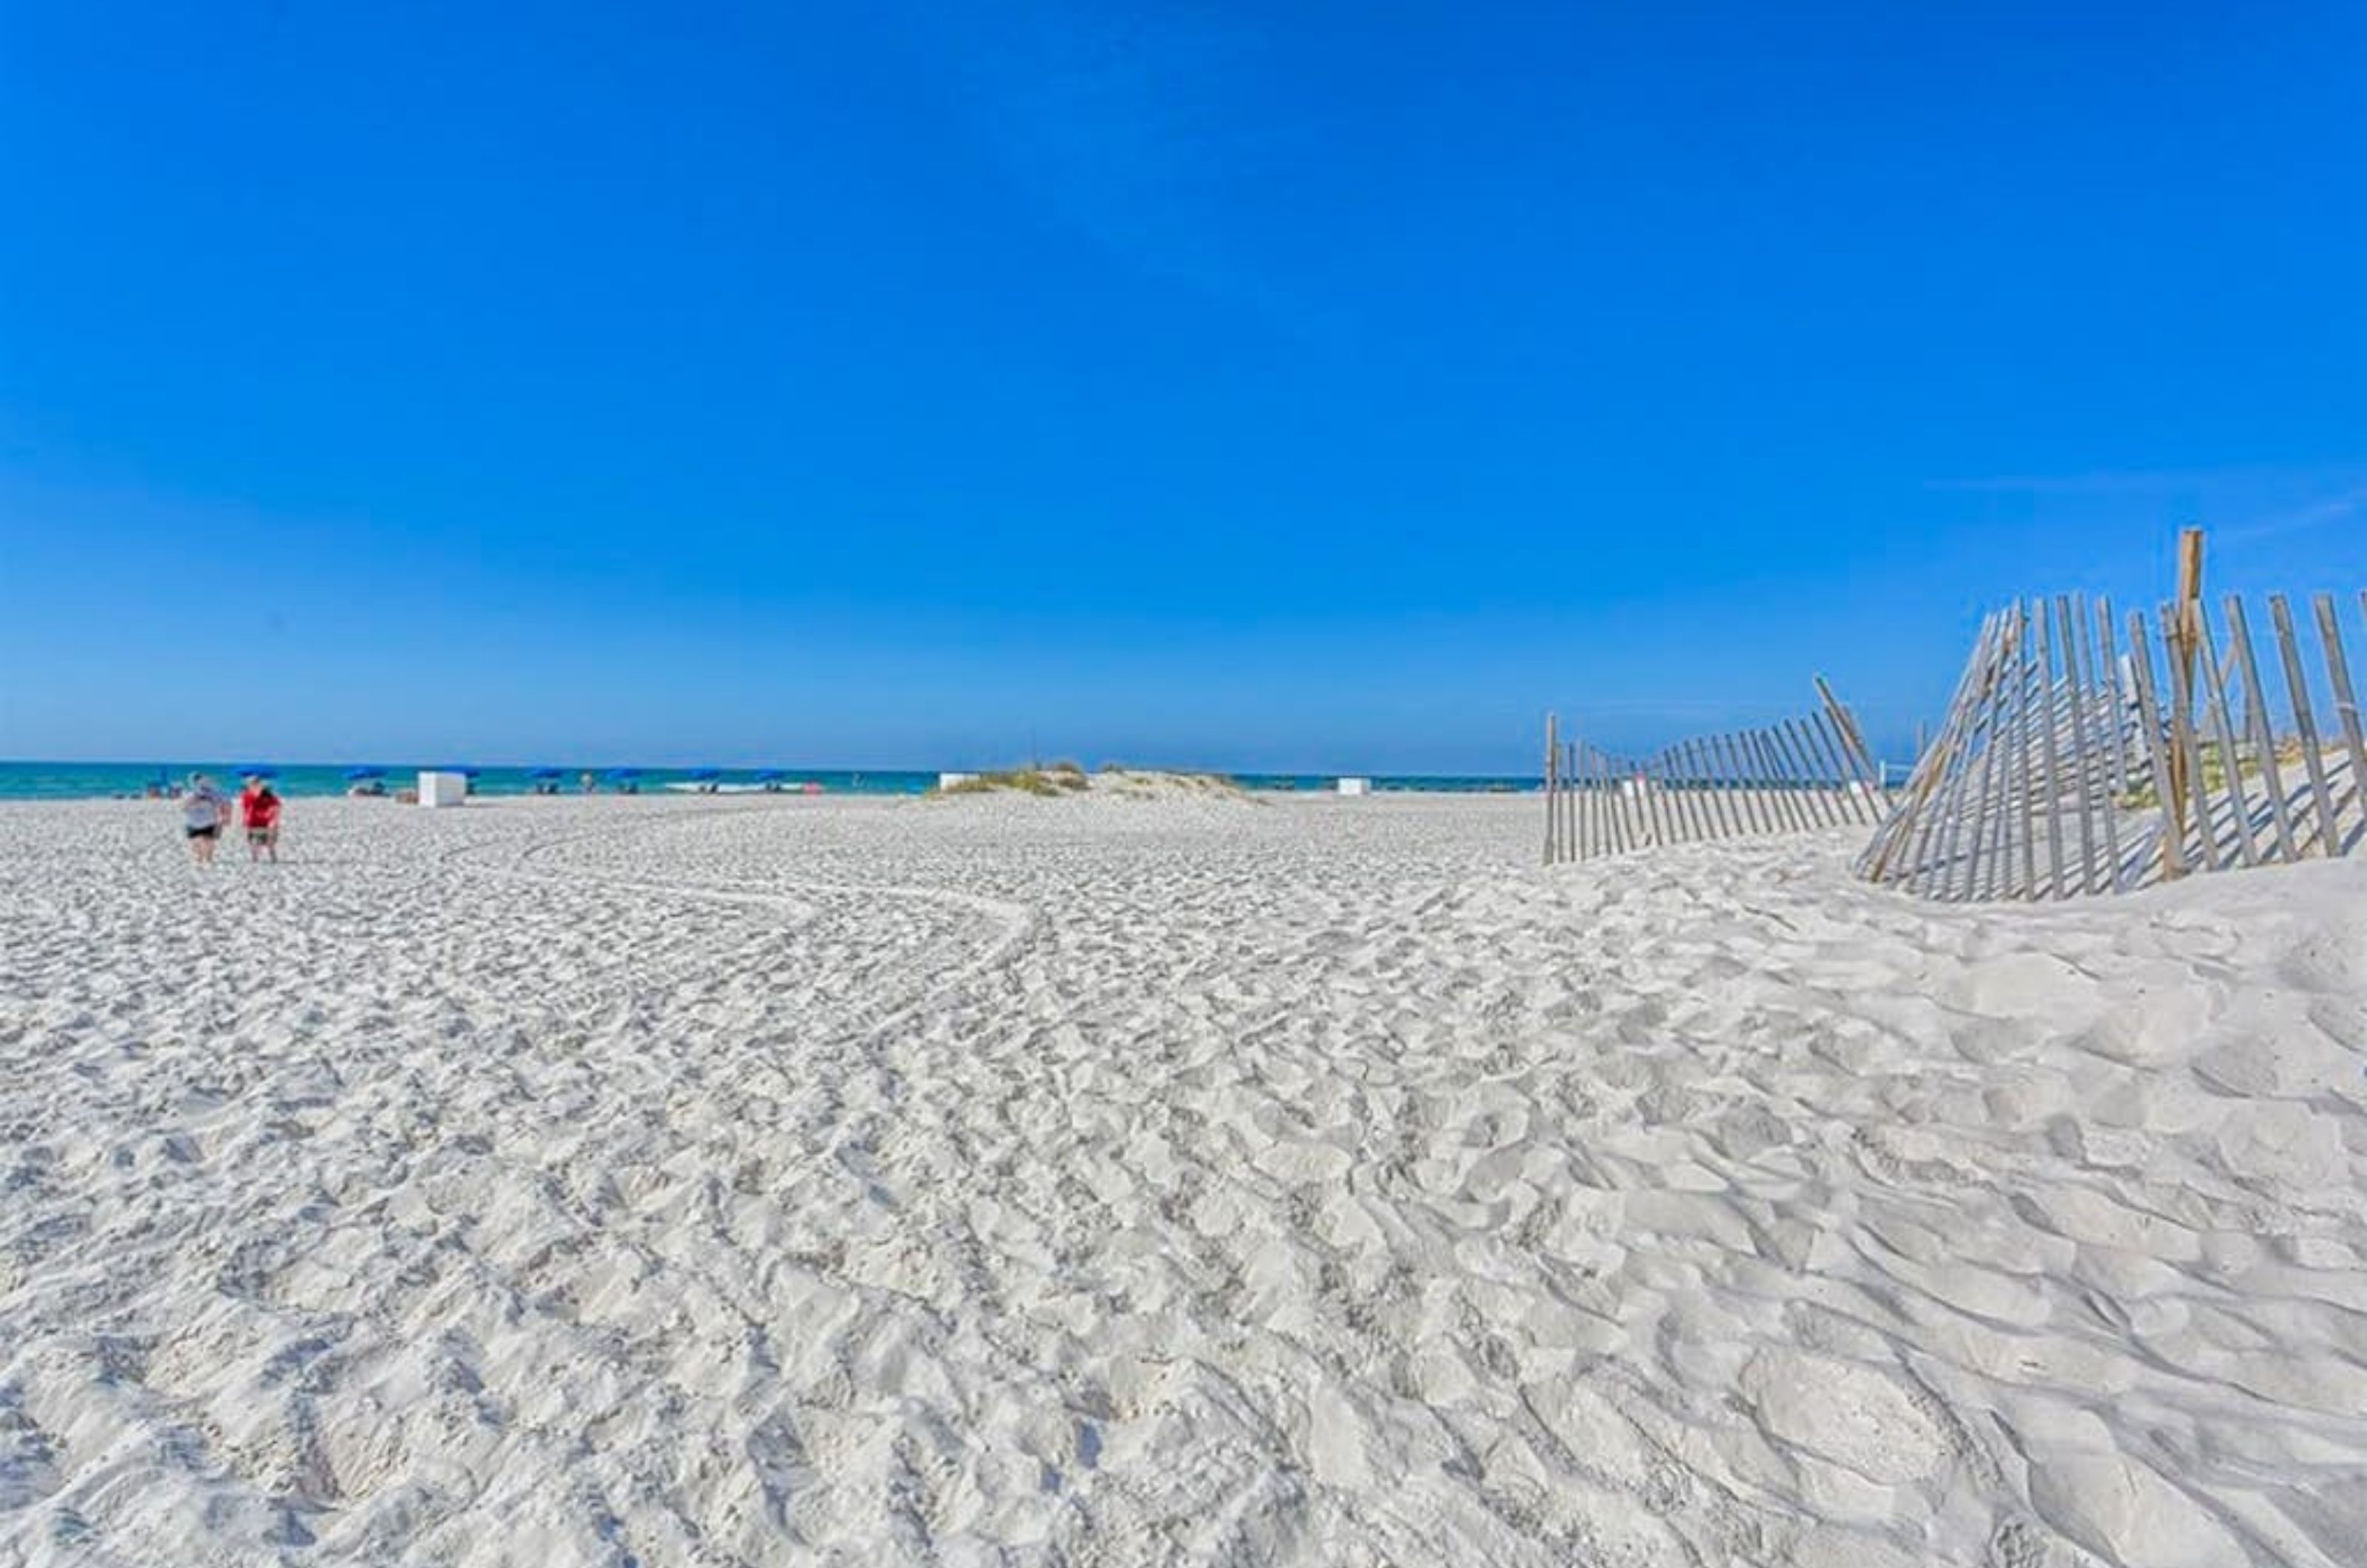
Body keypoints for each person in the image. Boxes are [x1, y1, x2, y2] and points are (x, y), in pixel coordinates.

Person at [180, 773, 226, 865]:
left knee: (209, 842)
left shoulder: (212, 793)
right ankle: (200, 858)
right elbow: (183, 808)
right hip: (193, 823)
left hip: (209, 821)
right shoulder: (188, 794)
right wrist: (193, 801)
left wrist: (222, 816)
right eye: (195, 780)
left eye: (199, 780)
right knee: (196, 843)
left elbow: (220, 804)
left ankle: (209, 859)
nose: (198, 783)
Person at [240, 774, 283, 862]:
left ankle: (273, 857)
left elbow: (277, 807)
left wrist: (275, 820)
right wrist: (245, 819)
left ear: (260, 784)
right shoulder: (246, 796)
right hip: (253, 821)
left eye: (255, 783)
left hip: (268, 822)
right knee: (253, 842)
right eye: (250, 784)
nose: (252, 786)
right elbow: (245, 809)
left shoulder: (269, 795)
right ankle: (255, 859)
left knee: (269, 843)